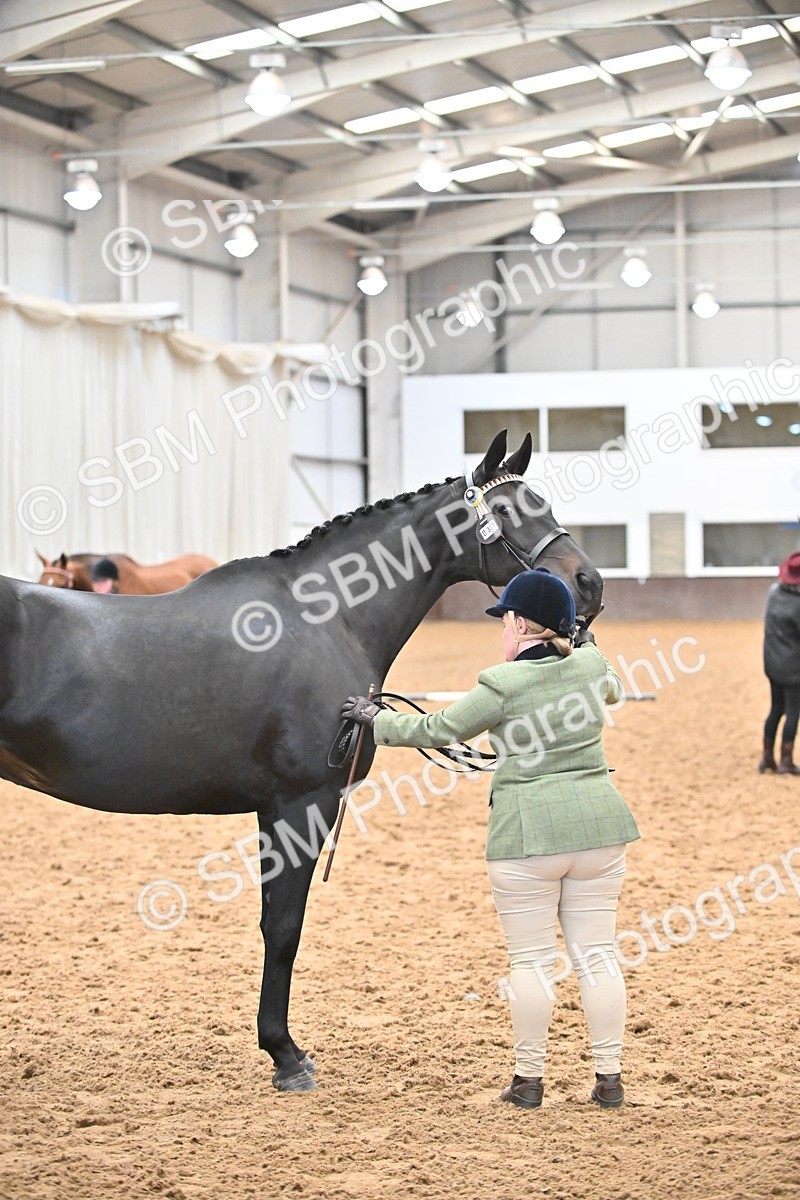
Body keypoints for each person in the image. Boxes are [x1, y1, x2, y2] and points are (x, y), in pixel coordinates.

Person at [341, 567, 640, 1111]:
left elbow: (437, 729)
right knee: (597, 956)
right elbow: (612, 686)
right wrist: (581, 642)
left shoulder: (501, 684)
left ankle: (529, 1082)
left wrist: (374, 720)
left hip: (527, 834)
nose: (503, 629)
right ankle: (610, 1079)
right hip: (600, 828)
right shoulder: (593, 665)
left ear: (522, 625)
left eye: (506, 621)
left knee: (531, 962)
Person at [759, 552, 800, 776]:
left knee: (776, 709)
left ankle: (767, 757)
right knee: (793, 712)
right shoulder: (798, 605)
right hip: (793, 667)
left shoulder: (774, 593)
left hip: (772, 662)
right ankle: (786, 760)